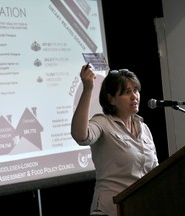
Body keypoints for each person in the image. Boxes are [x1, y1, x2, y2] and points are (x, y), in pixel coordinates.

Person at [71, 65, 159, 216]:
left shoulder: (144, 128)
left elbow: (155, 171)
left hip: (142, 207)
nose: (134, 96)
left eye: (135, 90)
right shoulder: (103, 123)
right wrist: (87, 89)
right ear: (111, 99)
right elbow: (80, 136)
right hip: (111, 210)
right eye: (126, 92)